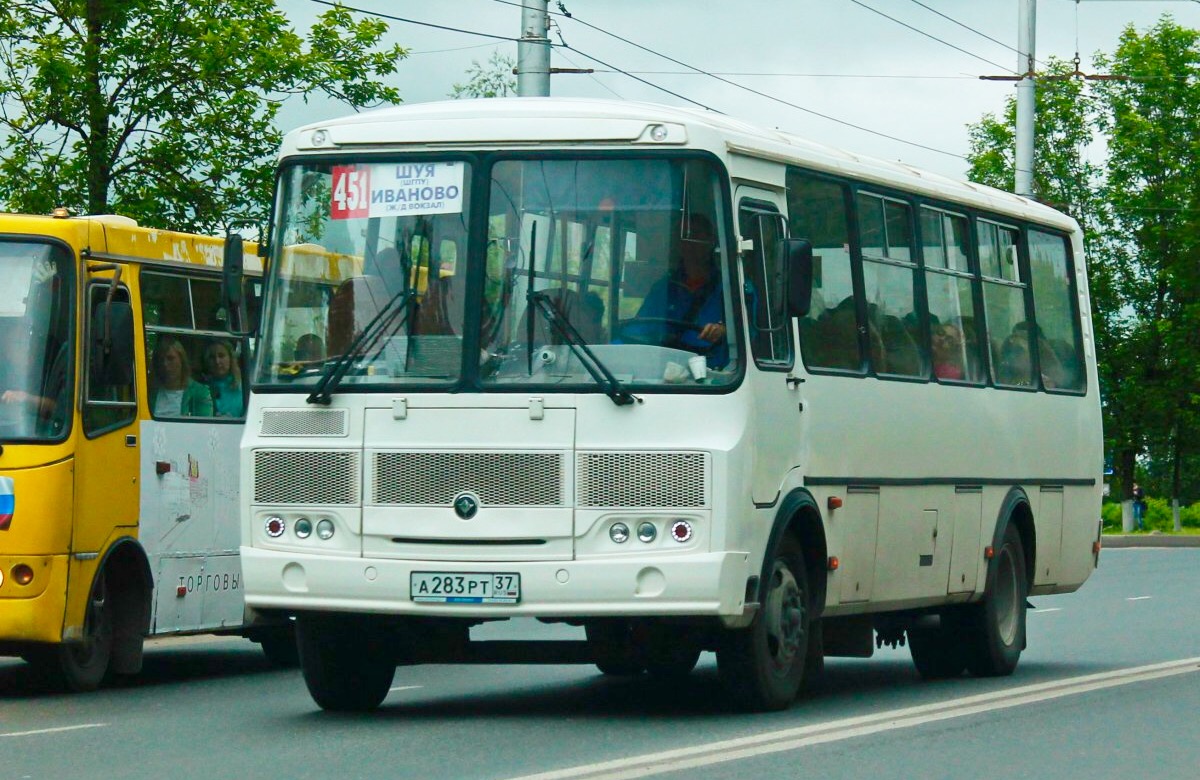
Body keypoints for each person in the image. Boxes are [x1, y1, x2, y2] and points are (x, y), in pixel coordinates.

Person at [628, 214, 728, 367]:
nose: (689, 245)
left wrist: (724, 331)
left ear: (711, 242)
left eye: (695, 237)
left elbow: (749, 335)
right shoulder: (663, 290)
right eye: (683, 239)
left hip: (716, 378)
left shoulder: (731, 288)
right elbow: (638, 331)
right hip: (664, 374)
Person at [150, 336, 213, 417]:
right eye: (161, 359)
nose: (165, 364)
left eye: (170, 358)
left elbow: (204, 425)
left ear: (182, 360)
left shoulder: (200, 392)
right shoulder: (151, 392)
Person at [202, 340, 244, 417]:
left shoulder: (243, 387)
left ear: (231, 358)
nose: (217, 361)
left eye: (221, 356)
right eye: (212, 357)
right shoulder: (201, 387)